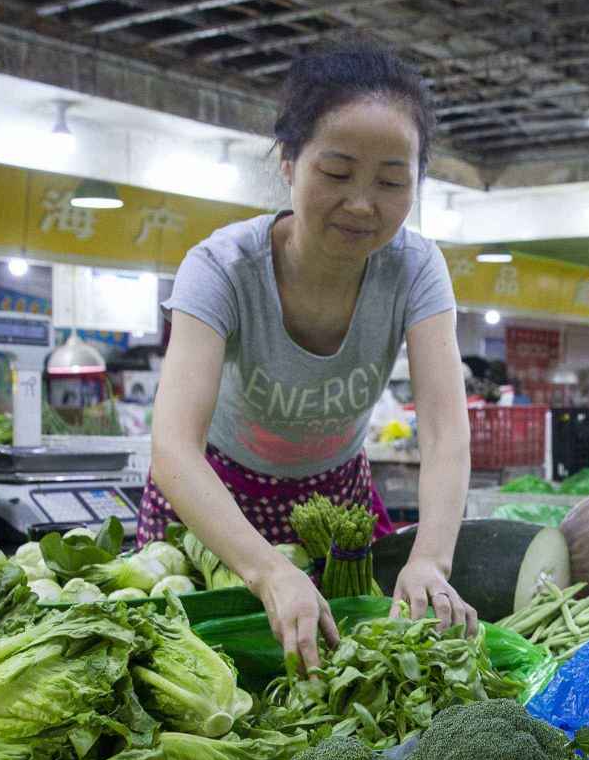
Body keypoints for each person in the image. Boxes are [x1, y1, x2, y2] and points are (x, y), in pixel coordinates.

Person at [137, 44, 471, 669]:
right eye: (338, 173)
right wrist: (265, 570)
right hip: (215, 501)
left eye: (393, 182)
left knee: (349, 680)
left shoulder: (416, 268)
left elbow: (447, 432)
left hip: (337, 500)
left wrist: (431, 558)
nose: (363, 204)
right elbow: (173, 449)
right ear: (289, 163)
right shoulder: (222, 268)